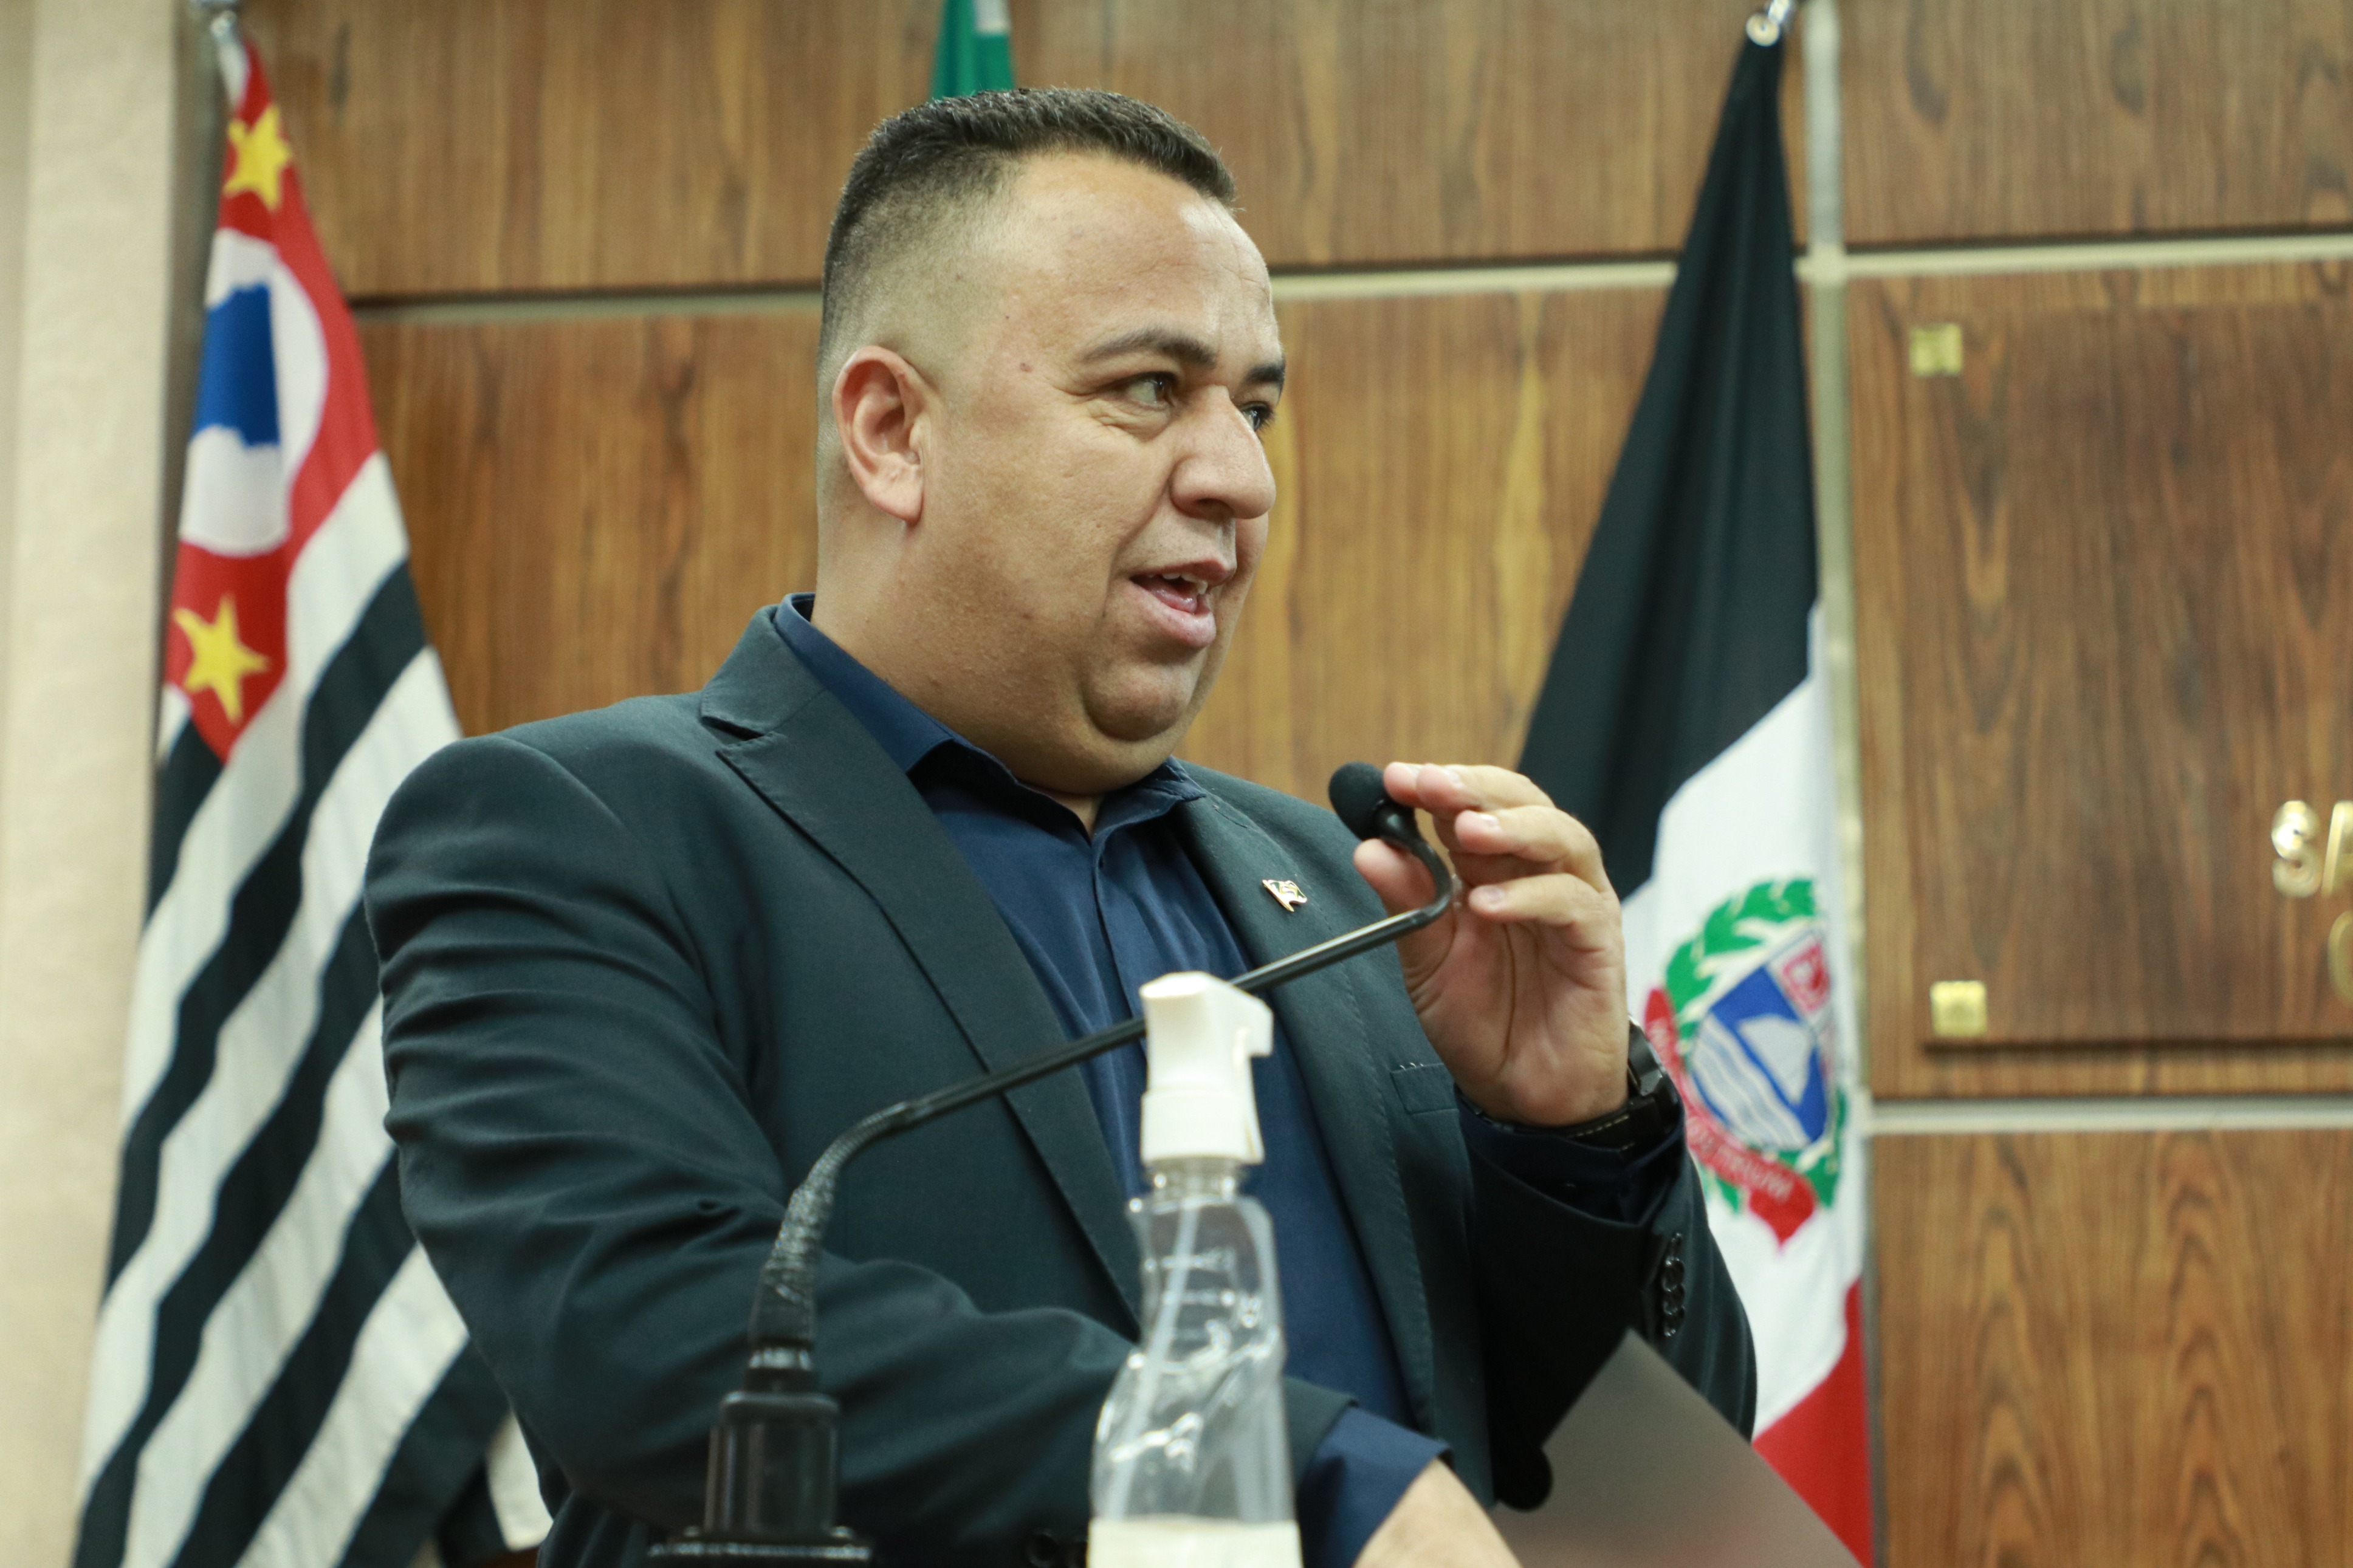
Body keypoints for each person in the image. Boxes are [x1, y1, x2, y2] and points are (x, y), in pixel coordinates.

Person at [366, 88, 1752, 1568]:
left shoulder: (1367, 899)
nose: (1241, 478)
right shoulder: (582, 833)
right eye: (1151, 388)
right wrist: (1288, 1468)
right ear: (892, 431)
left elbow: (1653, 1479)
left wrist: (1577, 1143)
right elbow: (652, 1335)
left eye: (1254, 408)